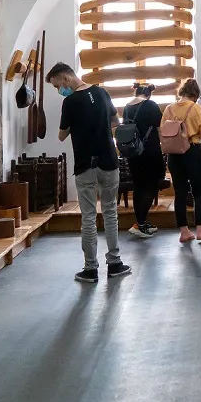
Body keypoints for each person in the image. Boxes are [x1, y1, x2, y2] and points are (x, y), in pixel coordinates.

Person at [46, 62, 131, 283]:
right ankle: (115, 263)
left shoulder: (70, 102)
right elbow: (115, 121)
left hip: (85, 164)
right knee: (110, 212)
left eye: (57, 85)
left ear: (65, 78)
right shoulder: (102, 93)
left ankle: (91, 269)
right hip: (109, 160)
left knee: (89, 216)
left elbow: (61, 136)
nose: (59, 90)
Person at [163, 78, 201, 243]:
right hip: (192, 151)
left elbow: (163, 130)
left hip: (174, 153)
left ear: (182, 91)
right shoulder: (195, 107)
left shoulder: (169, 109)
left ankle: (184, 232)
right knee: (199, 191)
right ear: (195, 94)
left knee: (180, 192)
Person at [121, 83, 163, 239]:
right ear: (149, 94)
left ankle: (142, 223)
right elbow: (160, 129)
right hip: (150, 152)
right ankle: (139, 223)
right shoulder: (151, 105)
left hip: (133, 153)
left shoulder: (127, 107)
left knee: (138, 186)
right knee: (152, 186)